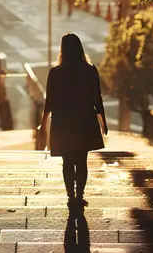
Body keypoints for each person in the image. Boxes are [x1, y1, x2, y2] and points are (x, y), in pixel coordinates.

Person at [39, 33, 108, 208]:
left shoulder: (55, 72)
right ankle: (80, 194)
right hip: (84, 119)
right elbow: (96, 97)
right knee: (81, 159)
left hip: (63, 121)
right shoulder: (90, 70)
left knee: (67, 160)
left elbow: (50, 101)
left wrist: (43, 122)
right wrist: (103, 120)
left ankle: (71, 195)